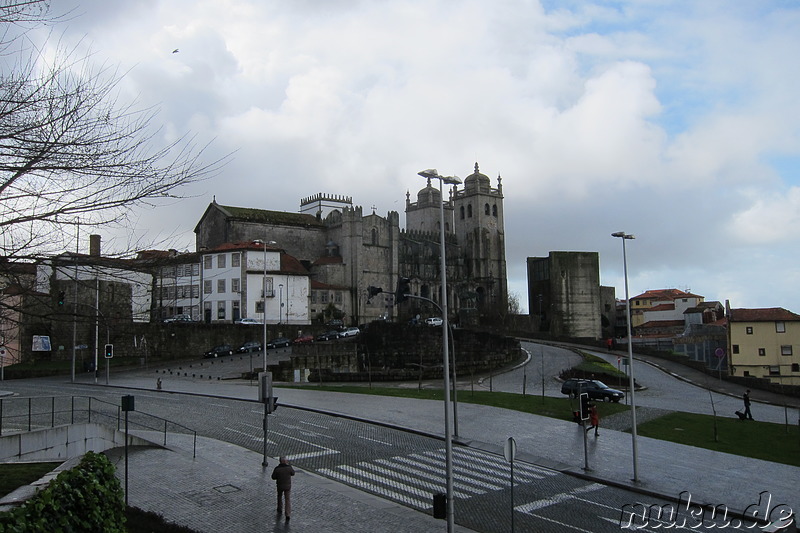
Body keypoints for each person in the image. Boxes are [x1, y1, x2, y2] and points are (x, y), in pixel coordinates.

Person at [271, 456, 295, 522]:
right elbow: (293, 473)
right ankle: (287, 514)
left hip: (280, 485)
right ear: (286, 461)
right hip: (287, 486)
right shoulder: (289, 468)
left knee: (279, 496)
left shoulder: (277, 469)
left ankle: (279, 508)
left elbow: (273, 477)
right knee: (287, 499)